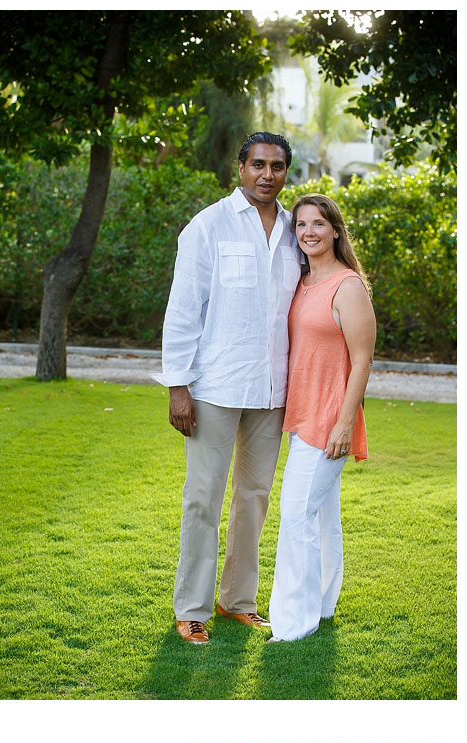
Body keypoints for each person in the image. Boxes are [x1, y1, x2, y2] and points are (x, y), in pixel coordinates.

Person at [154, 132, 303, 645]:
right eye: (258, 164)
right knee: (202, 498)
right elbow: (182, 310)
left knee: (255, 497)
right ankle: (191, 607)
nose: (267, 174)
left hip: (272, 390)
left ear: (287, 172)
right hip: (214, 385)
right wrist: (178, 385)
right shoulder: (208, 227)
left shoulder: (294, 231)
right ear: (239, 168)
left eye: (277, 166)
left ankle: (237, 601)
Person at [268, 194, 375, 642]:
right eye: (301, 225)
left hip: (329, 420)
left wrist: (344, 424)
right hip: (303, 414)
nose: (308, 231)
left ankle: (295, 624)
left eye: (318, 223)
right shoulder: (303, 281)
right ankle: (325, 602)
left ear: (336, 230)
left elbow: (364, 358)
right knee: (321, 517)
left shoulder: (347, 286)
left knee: (295, 516)